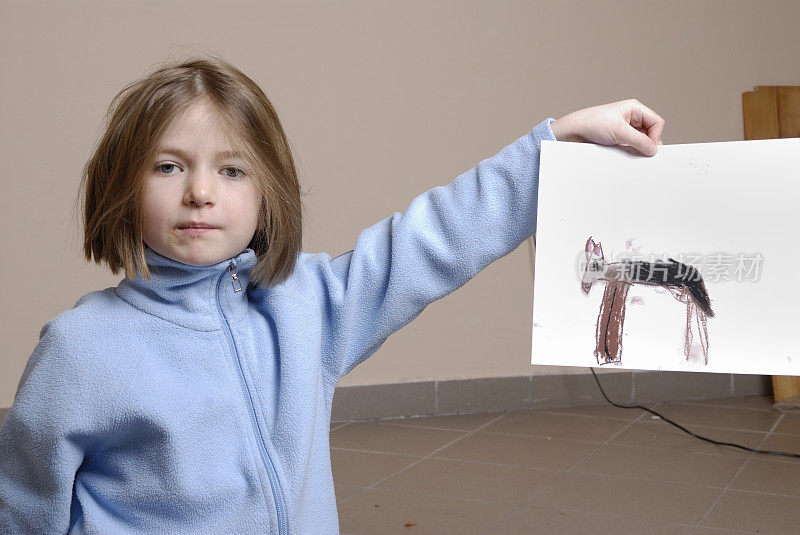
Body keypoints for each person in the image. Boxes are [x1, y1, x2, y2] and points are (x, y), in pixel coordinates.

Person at [0, 55, 664, 534]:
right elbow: (25, 504)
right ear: (122, 184)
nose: (199, 191)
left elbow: (435, 239)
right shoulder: (82, 349)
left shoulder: (305, 305)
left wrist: (556, 142)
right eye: (169, 166)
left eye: (231, 169)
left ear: (266, 196)